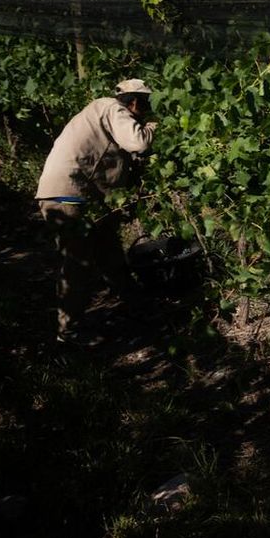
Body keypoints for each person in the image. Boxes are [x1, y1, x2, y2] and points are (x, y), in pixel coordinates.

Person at [35, 78, 157, 345]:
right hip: (69, 195)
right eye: (146, 105)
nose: (146, 112)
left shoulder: (102, 113)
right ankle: (69, 332)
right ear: (134, 102)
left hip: (77, 196)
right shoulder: (113, 109)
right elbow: (139, 143)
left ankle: (138, 307)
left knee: (109, 254)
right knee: (77, 263)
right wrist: (154, 129)